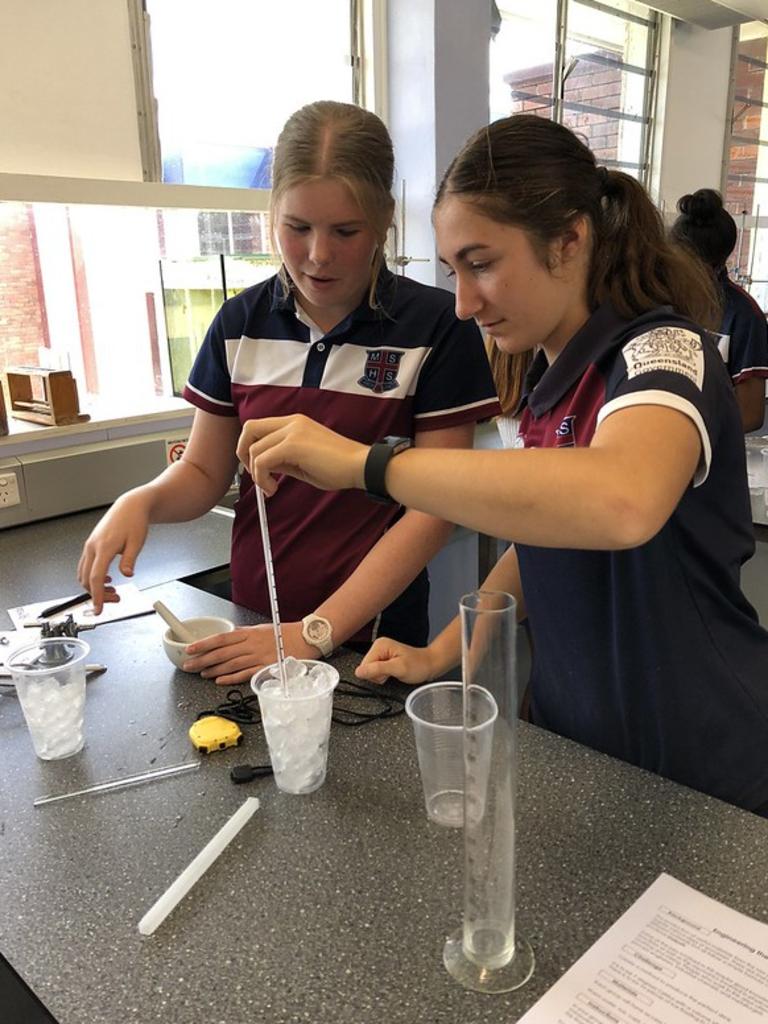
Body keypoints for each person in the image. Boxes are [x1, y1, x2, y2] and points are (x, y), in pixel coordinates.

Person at [238, 114, 768, 814]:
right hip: (576, 741)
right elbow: (538, 541)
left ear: (570, 239)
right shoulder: (552, 384)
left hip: (700, 754)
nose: (463, 303)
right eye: (453, 270)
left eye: (482, 264)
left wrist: (368, 465)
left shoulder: (665, 353)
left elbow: (621, 501)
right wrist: (446, 652)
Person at [77, 100, 500, 684]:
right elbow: (203, 475)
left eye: (345, 232)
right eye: (297, 228)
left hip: (371, 637)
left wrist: (317, 632)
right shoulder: (239, 323)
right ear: (271, 212)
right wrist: (141, 501)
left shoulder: (436, 327)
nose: (318, 255)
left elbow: (435, 508)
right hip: (256, 619)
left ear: (384, 220)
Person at [671, 188, 768, 432]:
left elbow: (750, 413)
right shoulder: (661, 300)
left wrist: (685, 436)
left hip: (705, 450)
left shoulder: (743, 316)